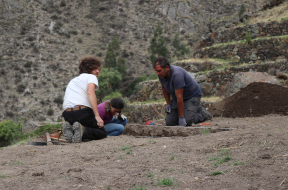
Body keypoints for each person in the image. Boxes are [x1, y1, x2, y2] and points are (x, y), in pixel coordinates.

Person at [153, 57, 212, 127]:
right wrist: (168, 104)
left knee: (187, 121)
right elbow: (164, 88)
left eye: (159, 71)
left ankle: (203, 113)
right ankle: (187, 113)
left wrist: (181, 118)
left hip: (191, 96)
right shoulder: (162, 75)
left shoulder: (177, 74)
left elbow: (180, 97)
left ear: (167, 68)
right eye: (156, 71)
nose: (157, 73)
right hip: (177, 98)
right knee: (169, 122)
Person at [62, 56, 107, 143]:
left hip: (67, 115)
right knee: (102, 132)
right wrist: (97, 116)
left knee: (79, 124)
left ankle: (72, 129)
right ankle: (83, 131)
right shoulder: (91, 77)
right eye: (95, 69)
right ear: (88, 69)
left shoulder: (73, 80)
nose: (98, 71)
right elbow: (90, 93)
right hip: (82, 112)